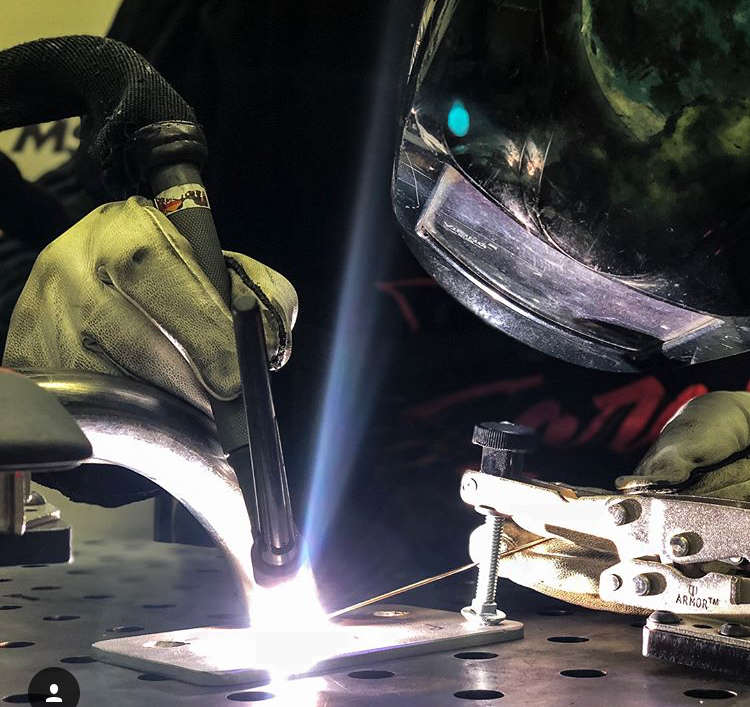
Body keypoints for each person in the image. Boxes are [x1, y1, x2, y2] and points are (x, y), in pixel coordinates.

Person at [2, 0, 750, 607]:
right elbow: (60, 243)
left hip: (664, 627)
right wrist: (70, 350)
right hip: (301, 574)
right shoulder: (251, 27)